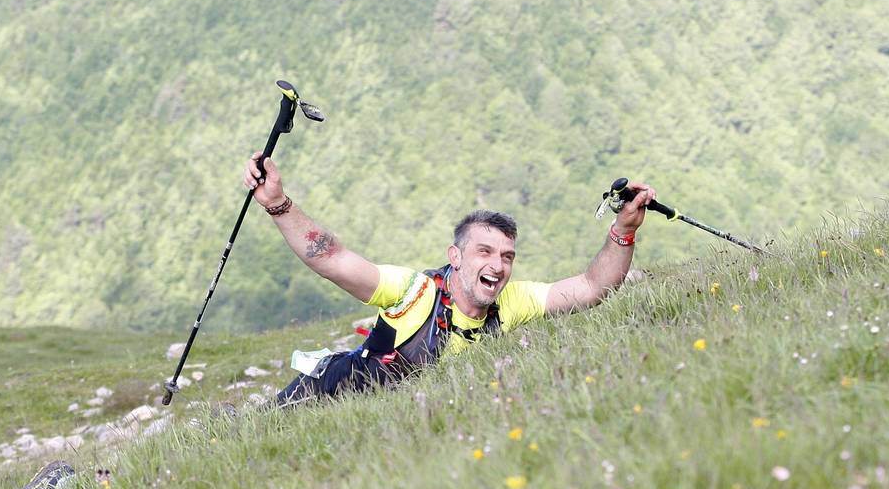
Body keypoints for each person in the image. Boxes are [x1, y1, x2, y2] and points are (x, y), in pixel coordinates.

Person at [242, 153, 656, 407]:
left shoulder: (512, 303)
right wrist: (278, 204)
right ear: (455, 258)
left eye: (507, 256)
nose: (498, 265)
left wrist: (624, 229)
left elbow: (591, 288)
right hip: (320, 396)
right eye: (485, 252)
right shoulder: (413, 292)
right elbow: (331, 257)